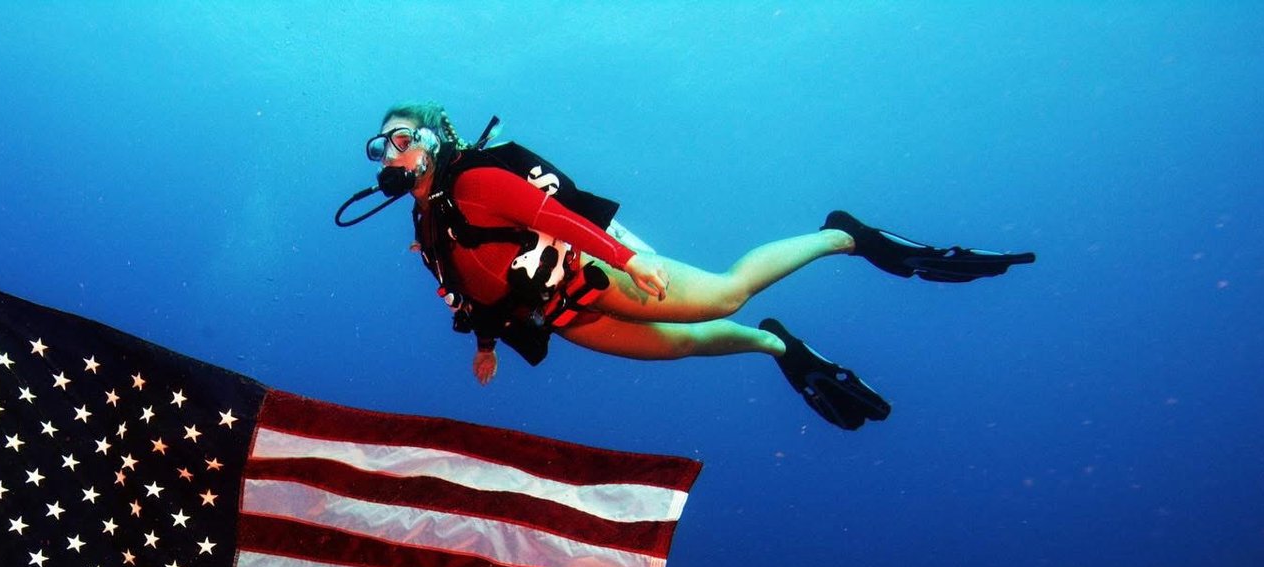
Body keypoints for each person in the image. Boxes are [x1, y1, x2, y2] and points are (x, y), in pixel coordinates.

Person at [335, 102, 1035, 429]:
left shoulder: (474, 182)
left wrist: (630, 260)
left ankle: (842, 235)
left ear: (433, 141)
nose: (388, 154)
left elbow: (554, 217)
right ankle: (780, 346)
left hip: (594, 270)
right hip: (562, 312)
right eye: (379, 147)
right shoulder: (426, 224)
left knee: (723, 295)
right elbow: (466, 288)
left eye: (400, 139)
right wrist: (486, 345)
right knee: (683, 346)